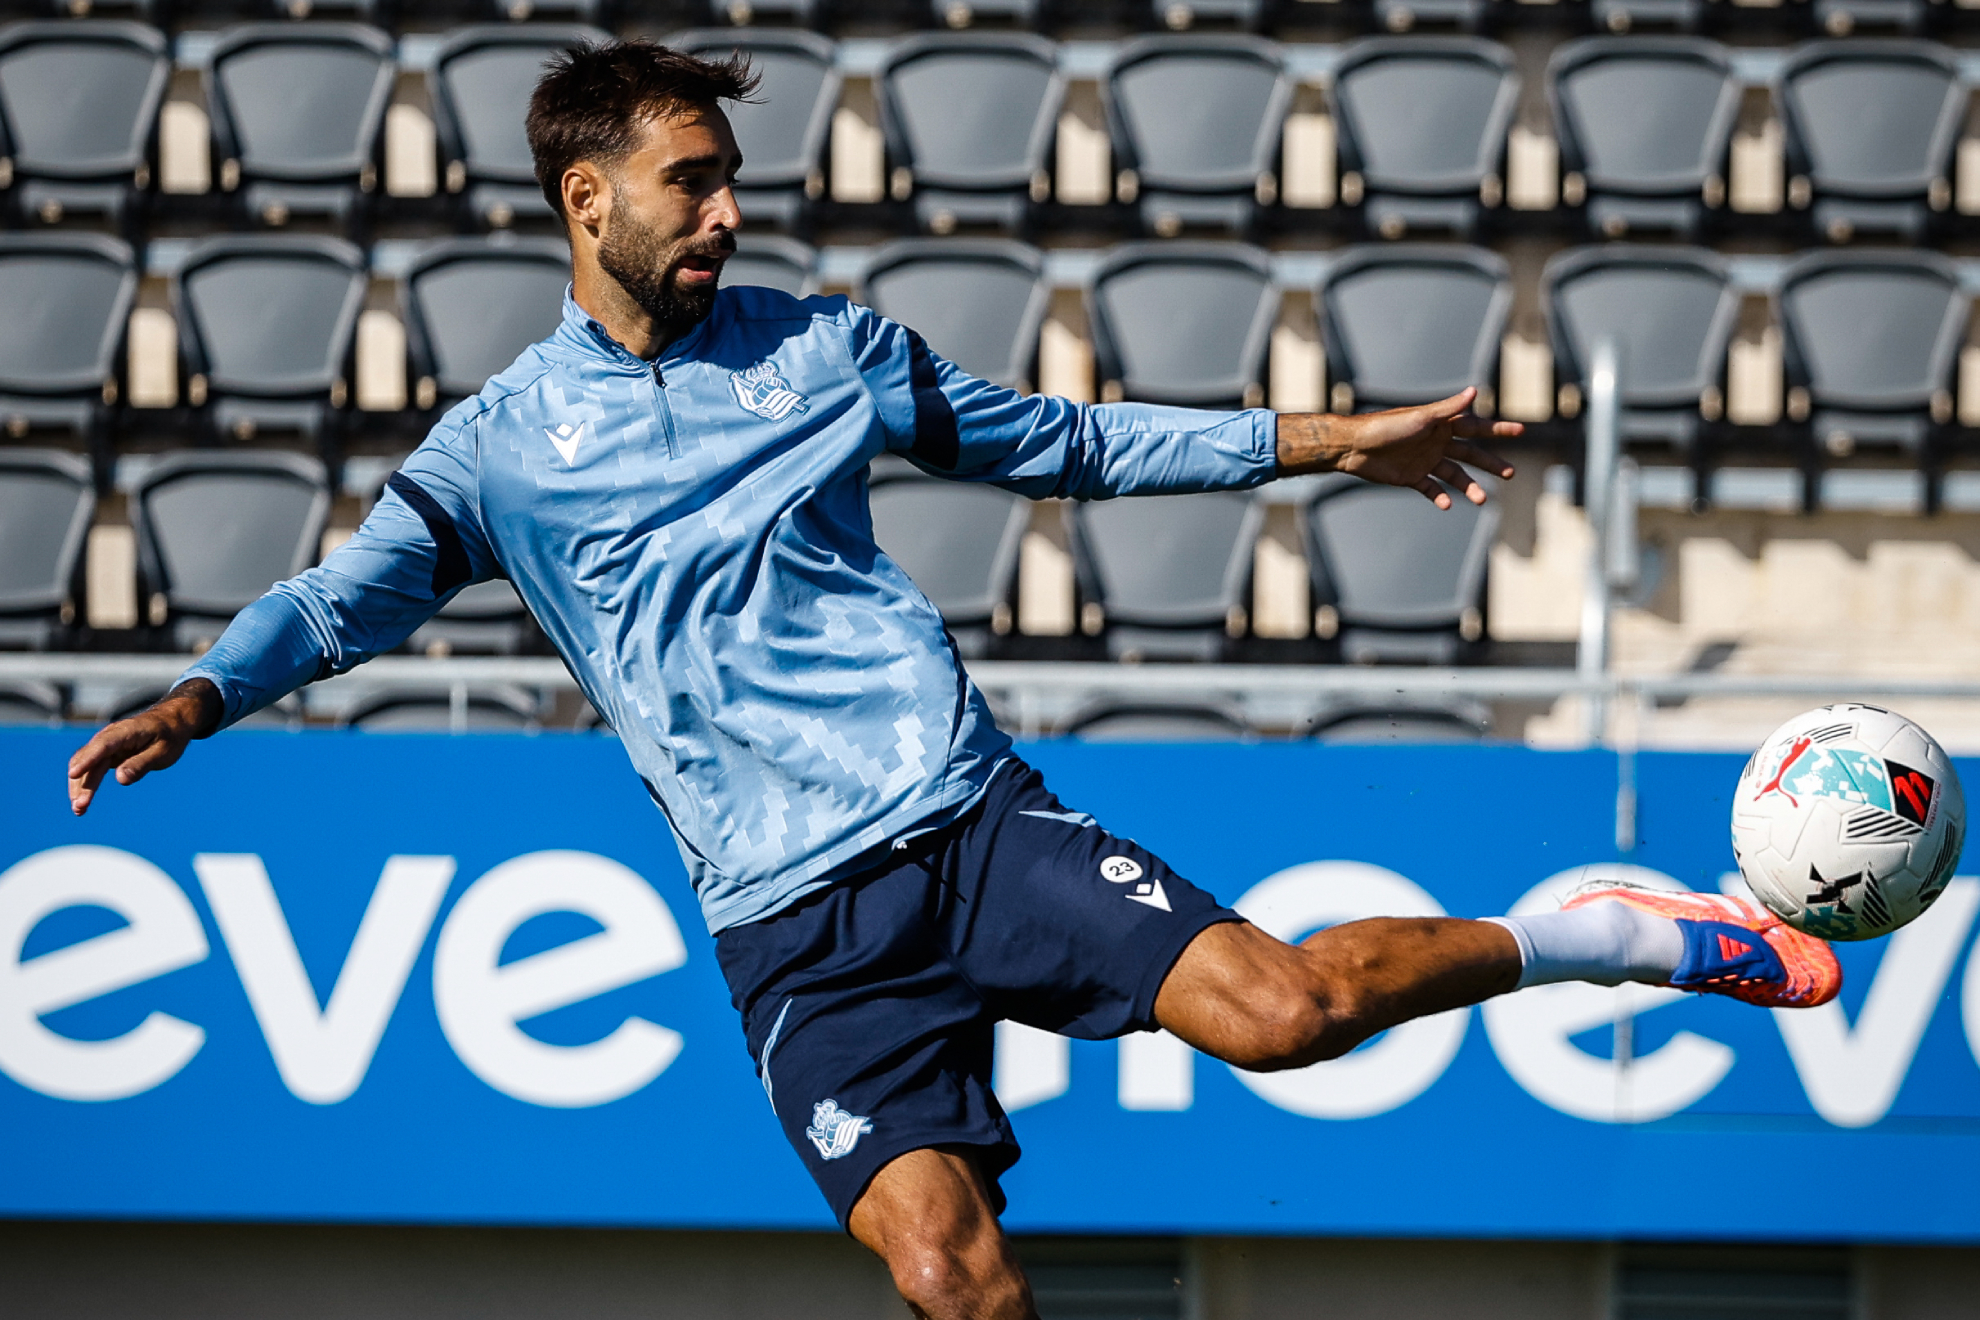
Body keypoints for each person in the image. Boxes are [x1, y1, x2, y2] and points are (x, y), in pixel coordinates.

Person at [65, 41, 1841, 1320]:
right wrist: (207, 693)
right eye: (692, 182)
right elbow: (351, 596)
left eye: (728, 178)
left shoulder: (829, 352)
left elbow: (1072, 442)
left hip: (967, 827)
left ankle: (1618, 930)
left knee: (1286, 1022)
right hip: (789, 930)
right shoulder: (500, 450)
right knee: (947, 1277)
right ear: (586, 198)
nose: (727, 211)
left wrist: (1334, 439)